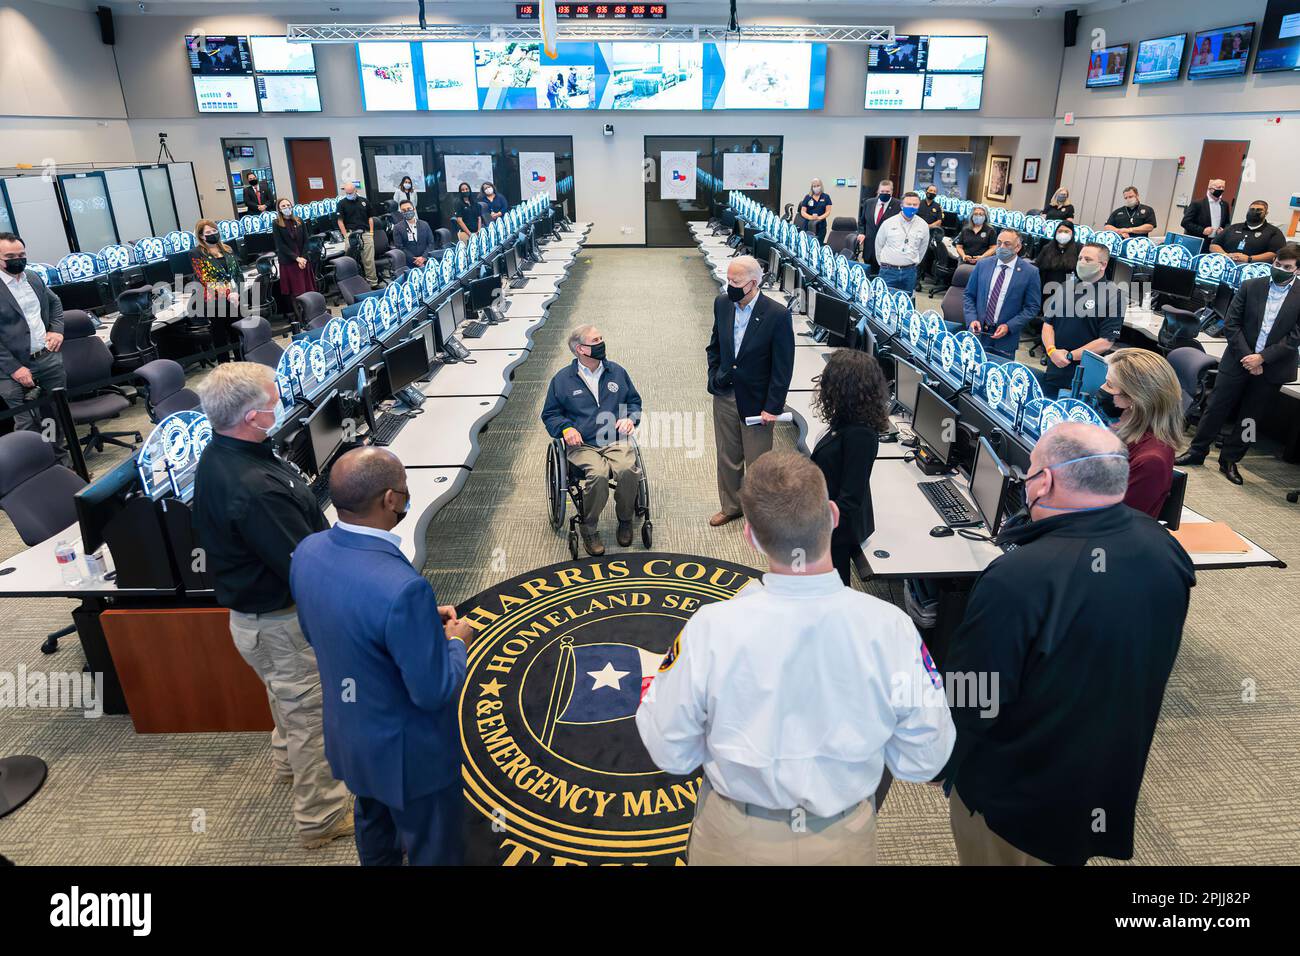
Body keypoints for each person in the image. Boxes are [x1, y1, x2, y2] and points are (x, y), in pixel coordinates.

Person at [636, 451, 955, 866]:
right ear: (834, 515)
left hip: (736, 840)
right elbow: (926, 756)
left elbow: (670, 751)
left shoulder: (711, 629)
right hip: (843, 841)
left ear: (750, 536)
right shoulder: (891, 629)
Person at [940, 422, 1194, 866]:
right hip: (1099, 780)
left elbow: (973, 696)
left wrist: (940, 760)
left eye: (1030, 470)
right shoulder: (1166, 549)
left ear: (1045, 482)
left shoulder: (1018, 578)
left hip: (1013, 802)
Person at [191, 362, 352, 849]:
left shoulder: (226, 453)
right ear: (249, 416)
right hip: (281, 625)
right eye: (274, 403)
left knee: (286, 699)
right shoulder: (255, 490)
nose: (281, 409)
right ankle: (321, 817)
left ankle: (286, 765)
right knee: (311, 717)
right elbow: (305, 567)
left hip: (258, 623)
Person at [290, 447, 471, 866]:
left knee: (375, 828)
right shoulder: (403, 589)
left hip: (351, 738)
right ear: (391, 499)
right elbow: (434, 690)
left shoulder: (308, 552)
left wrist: (416, 622)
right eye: (404, 490)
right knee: (436, 848)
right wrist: (456, 642)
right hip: (411, 759)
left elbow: (326, 630)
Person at [1176, 244, 1300, 484]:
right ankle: (1197, 450)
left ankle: (1231, 459)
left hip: (1272, 366)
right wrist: (1249, 357)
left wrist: (1262, 358)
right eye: (1277, 264)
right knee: (1215, 407)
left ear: (1297, 270)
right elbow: (1232, 324)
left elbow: (1296, 336)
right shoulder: (1251, 286)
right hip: (1238, 358)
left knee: (1251, 418)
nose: (1279, 270)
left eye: (1286, 267)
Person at [706, 256, 794, 527]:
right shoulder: (722, 304)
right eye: (728, 280)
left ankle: (758, 514)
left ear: (753, 283)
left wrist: (773, 406)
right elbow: (714, 346)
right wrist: (714, 378)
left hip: (757, 401)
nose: (730, 286)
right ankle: (731, 506)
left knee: (758, 463)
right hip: (725, 393)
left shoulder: (777, 315)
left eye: (736, 282)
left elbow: (782, 367)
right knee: (727, 456)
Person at [540, 325, 643, 555]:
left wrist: (630, 418)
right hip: (582, 444)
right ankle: (589, 528)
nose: (601, 344)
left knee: (628, 469)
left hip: (614, 438)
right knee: (597, 474)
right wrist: (566, 428)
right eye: (595, 341)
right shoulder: (562, 380)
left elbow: (634, 402)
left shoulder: (617, 372)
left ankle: (625, 519)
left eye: (601, 338)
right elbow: (550, 414)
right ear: (580, 349)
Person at [810, 350, 888, 586]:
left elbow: (850, 500)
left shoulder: (861, 434)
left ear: (845, 387)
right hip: (824, 520)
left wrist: (815, 530)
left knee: (831, 589)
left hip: (833, 532)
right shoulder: (846, 419)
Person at [0, 232, 69, 462]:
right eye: (10, 257)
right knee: (27, 423)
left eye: (21, 255)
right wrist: (14, 369)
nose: (17, 260)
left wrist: (56, 330)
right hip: (11, 370)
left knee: (53, 416)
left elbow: (55, 302)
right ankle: (34, 469)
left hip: (47, 359)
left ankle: (59, 462)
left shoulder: (32, 277)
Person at [1098, 349, 1184, 517]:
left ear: (1134, 399)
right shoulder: (1123, 429)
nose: (1101, 388)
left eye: (1109, 385)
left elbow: (1111, 521)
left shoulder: (1151, 462)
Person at [1039, 242, 1125, 395]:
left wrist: (1070, 356)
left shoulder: (1113, 295)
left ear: (1103, 265)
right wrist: (1052, 351)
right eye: (1080, 258)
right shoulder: (1066, 286)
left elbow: (1106, 341)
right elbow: (1048, 324)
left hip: (1083, 373)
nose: (1082, 262)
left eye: (1088, 259)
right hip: (1055, 365)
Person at [962, 229, 1042, 359]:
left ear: (1017, 247)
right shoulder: (983, 264)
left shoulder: (1030, 272)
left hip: (1005, 339)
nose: (1001, 247)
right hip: (978, 332)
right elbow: (969, 295)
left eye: (1007, 244)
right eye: (999, 243)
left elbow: (1032, 307)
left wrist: (1010, 326)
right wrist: (972, 319)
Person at [190, 218, 243, 363]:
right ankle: (224, 371)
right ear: (201, 236)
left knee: (237, 335)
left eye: (214, 230)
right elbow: (205, 279)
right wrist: (228, 293)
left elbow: (238, 274)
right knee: (221, 340)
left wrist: (236, 292)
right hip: (215, 302)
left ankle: (242, 366)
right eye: (208, 232)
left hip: (234, 300)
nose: (213, 234)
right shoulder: (196, 253)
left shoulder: (227, 249)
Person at [874, 192, 930, 296]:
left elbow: (922, 249)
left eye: (915, 205)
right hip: (888, 271)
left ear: (919, 206)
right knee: (884, 300)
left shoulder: (923, 225)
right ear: (901, 205)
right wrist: (883, 264)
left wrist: (913, 262)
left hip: (909, 272)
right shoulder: (888, 223)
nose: (911, 207)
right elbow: (878, 245)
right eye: (908, 204)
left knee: (905, 301)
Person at [1209, 199, 1286, 265]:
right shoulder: (1233, 227)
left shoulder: (1274, 232)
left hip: (1253, 270)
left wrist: (1249, 258)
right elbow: (1214, 245)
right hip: (1226, 264)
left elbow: (1275, 254)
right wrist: (1226, 255)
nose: (1254, 212)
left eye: (1258, 210)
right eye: (1252, 209)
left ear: (1266, 213)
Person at [272, 198, 317, 300]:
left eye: (288, 205)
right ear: (279, 209)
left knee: (309, 289)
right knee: (297, 292)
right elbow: (280, 245)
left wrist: (303, 258)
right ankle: (300, 310)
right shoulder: (276, 223)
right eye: (283, 206)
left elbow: (306, 240)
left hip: (303, 260)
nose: (286, 207)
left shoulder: (299, 220)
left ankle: (312, 308)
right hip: (290, 262)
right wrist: (297, 258)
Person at [336, 182, 378, 286]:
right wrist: (345, 236)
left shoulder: (364, 201)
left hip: (365, 233)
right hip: (351, 234)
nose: (349, 195)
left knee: (369, 260)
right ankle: (350, 284)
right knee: (349, 260)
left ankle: (372, 282)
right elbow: (340, 221)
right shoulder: (341, 203)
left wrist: (371, 232)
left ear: (356, 191)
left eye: (351, 193)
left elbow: (370, 217)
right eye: (347, 193)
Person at [855, 180, 901, 271]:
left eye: (887, 192)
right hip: (869, 248)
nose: (884, 193)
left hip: (887, 249)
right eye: (882, 191)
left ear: (892, 192)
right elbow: (862, 222)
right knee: (869, 274)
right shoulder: (869, 203)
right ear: (878, 191)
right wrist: (861, 233)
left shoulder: (898, 205)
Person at [1181, 178, 1230, 248]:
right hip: (1196, 241)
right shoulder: (1197, 204)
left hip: (1214, 243)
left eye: (1223, 187)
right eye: (1219, 187)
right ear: (1210, 189)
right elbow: (1185, 222)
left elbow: (1227, 222)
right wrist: (1202, 230)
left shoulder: (1224, 205)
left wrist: (1223, 231)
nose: (1221, 189)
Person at [1034, 219, 1081, 290]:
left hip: (1068, 290)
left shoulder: (1078, 249)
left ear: (1072, 234)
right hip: (1046, 288)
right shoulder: (1047, 248)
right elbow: (1038, 268)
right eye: (1060, 231)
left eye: (1066, 232)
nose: (1063, 234)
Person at [391, 200, 435, 268]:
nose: (407, 211)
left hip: (426, 261)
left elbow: (431, 243)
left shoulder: (425, 224)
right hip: (409, 264)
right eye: (404, 210)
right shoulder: (397, 228)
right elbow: (400, 247)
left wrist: (423, 257)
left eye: (409, 209)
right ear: (401, 212)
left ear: (414, 209)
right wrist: (415, 260)